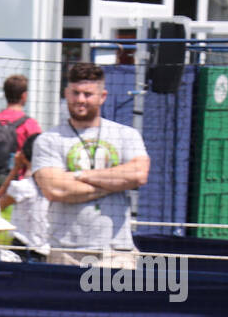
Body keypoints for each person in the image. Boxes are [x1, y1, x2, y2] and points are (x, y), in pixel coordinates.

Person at [31, 62, 149, 268]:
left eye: (87, 94)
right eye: (75, 93)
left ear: (102, 96)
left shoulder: (125, 134)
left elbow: (139, 174)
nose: (80, 100)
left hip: (115, 250)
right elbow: (55, 189)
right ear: (66, 94)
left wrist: (77, 175)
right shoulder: (48, 139)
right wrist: (116, 182)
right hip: (65, 250)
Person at [0, 133, 50, 260]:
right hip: (48, 250)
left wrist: (16, 168)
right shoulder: (56, 189)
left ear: (24, 156)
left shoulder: (22, 187)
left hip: (22, 251)